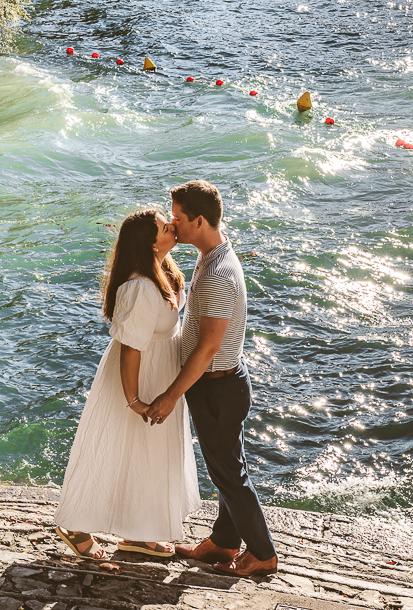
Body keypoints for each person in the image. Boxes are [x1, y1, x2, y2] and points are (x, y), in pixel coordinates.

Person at [144, 180, 279, 578]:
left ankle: (263, 553)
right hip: (217, 383)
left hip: (219, 384)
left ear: (199, 221)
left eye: (178, 220)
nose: (173, 225)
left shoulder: (219, 272)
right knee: (224, 465)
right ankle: (223, 542)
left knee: (229, 473)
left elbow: (208, 346)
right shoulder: (211, 255)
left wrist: (171, 395)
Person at [53, 208, 201, 560]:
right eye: (166, 227)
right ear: (151, 244)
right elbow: (132, 348)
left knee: (147, 454)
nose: (173, 227)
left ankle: (140, 532)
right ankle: (76, 524)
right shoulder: (139, 286)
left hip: (160, 370)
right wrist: (133, 399)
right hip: (138, 376)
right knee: (113, 449)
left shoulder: (163, 270)